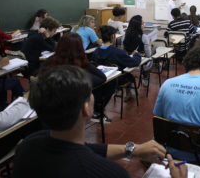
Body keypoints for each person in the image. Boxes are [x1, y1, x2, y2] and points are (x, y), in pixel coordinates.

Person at [12, 65, 181, 178]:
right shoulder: (109, 173)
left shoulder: (28, 146)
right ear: (85, 108)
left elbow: (87, 149)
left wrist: (133, 149)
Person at [40, 32, 115, 123]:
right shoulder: (77, 71)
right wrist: (85, 60)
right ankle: (96, 111)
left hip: (49, 108)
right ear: (80, 48)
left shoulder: (50, 62)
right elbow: (102, 78)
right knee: (108, 84)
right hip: (70, 112)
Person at [92, 25, 142, 101]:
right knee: (130, 76)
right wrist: (136, 54)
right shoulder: (117, 52)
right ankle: (129, 93)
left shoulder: (96, 51)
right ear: (113, 36)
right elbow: (134, 62)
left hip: (101, 80)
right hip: (117, 79)